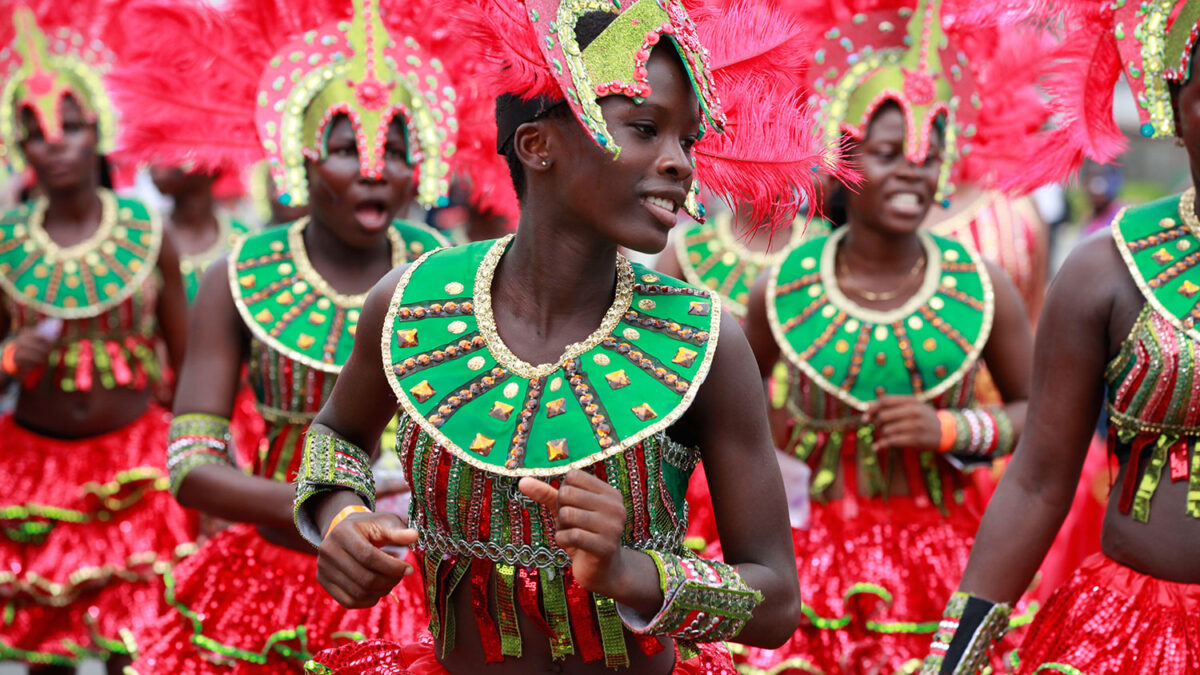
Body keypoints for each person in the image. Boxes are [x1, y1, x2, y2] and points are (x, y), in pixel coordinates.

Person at [291, 0, 842, 672]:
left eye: (687, 141)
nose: (678, 163)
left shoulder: (706, 341)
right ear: (538, 144)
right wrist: (341, 518)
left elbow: (778, 600)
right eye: (646, 128)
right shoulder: (410, 304)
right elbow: (336, 437)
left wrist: (634, 572)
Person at [107, 0, 488, 670]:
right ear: (301, 157)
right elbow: (194, 466)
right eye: (347, 148)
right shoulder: (239, 276)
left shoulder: (449, 275)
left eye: (396, 150)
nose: (374, 168)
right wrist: (331, 514)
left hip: (416, 584)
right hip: (272, 578)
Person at [730, 1, 1041, 673]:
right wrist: (777, 432)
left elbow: (1040, 417)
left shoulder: (983, 287)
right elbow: (733, 403)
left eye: (931, 153)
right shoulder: (781, 287)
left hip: (944, 554)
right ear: (845, 159)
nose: (914, 170)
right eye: (890, 151)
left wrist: (953, 430)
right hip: (807, 550)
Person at [923, 2, 1200, 672]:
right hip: (1136, 637)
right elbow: (1038, 481)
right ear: (1174, 111)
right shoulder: (1107, 269)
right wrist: (950, 660)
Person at [0, 4, 196, 671]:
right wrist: (5, 357)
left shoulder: (148, 232)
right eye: (35, 133)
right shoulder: (3, 246)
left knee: (133, 645)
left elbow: (191, 360)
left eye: (71, 126)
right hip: (34, 469)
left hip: (134, 468)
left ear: (99, 133)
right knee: (41, 646)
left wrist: (202, 457)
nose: (54, 144)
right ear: (17, 145)